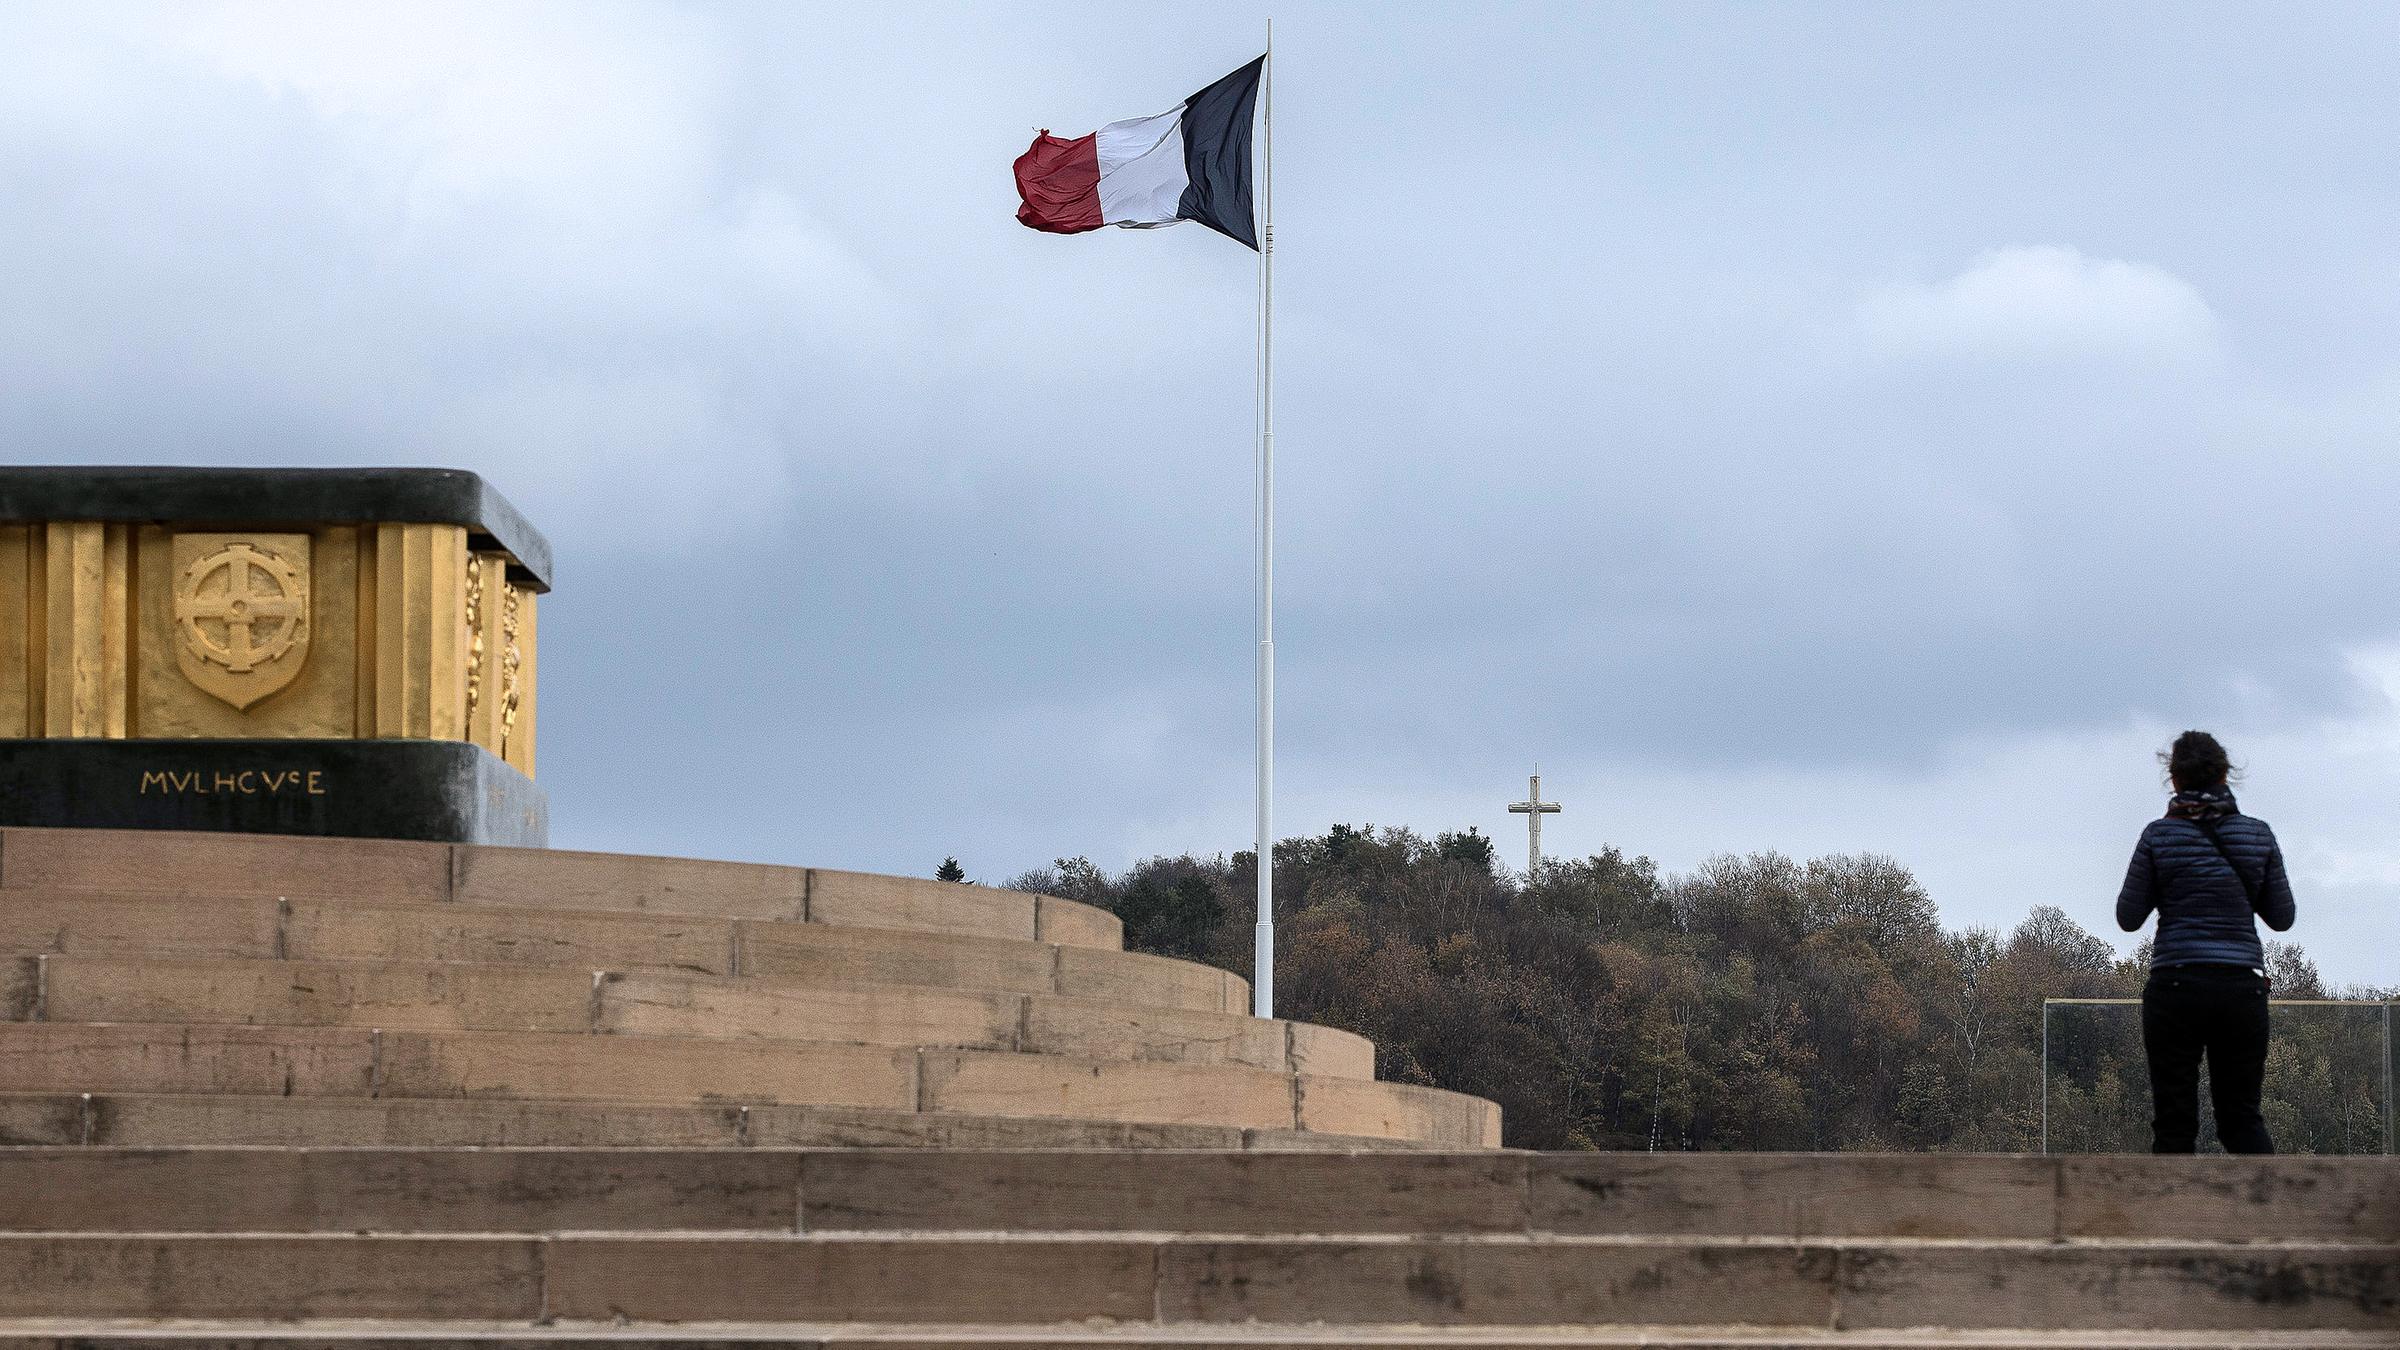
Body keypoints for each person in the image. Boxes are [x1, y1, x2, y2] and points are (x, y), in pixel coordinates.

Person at [2114, 730, 2296, 1154]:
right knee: (2242, 1119)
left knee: (2174, 1125)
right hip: (2240, 988)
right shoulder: (2257, 835)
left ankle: (2175, 1221)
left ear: (2173, 779)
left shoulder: (2158, 837)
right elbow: (2282, 918)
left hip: (2175, 987)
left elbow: (2128, 918)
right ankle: (2268, 1219)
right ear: (2225, 774)